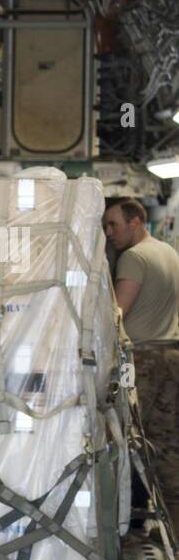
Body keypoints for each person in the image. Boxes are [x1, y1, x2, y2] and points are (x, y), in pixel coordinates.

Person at [103, 199, 179, 519]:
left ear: (135, 222)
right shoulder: (169, 253)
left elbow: (116, 313)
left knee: (126, 434)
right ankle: (170, 513)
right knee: (166, 440)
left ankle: (129, 513)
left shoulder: (133, 257)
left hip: (138, 361)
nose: (108, 233)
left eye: (113, 225)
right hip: (172, 353)